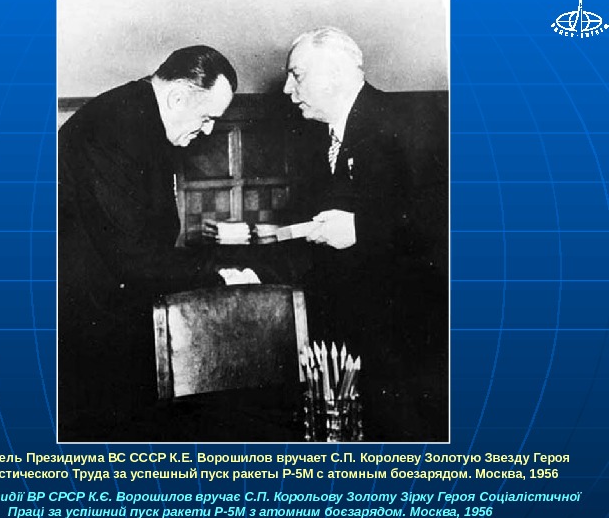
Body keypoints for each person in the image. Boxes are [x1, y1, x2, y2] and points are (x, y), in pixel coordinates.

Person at [58, 46, 240, 441]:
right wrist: (218, 276)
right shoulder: (113, 128)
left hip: (111, 320)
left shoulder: (142, 119)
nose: (209, 131)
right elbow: (134, 256)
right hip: (88, 332)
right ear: (178, 97)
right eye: (207, 117)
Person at [283, 27, 448, 441]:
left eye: (297, 75)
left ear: (336, 73)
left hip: (407, 343)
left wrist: (361, 228)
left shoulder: (412, 125)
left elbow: (446, 219)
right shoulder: (320, 138)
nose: (287, 88)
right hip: (352, 338)